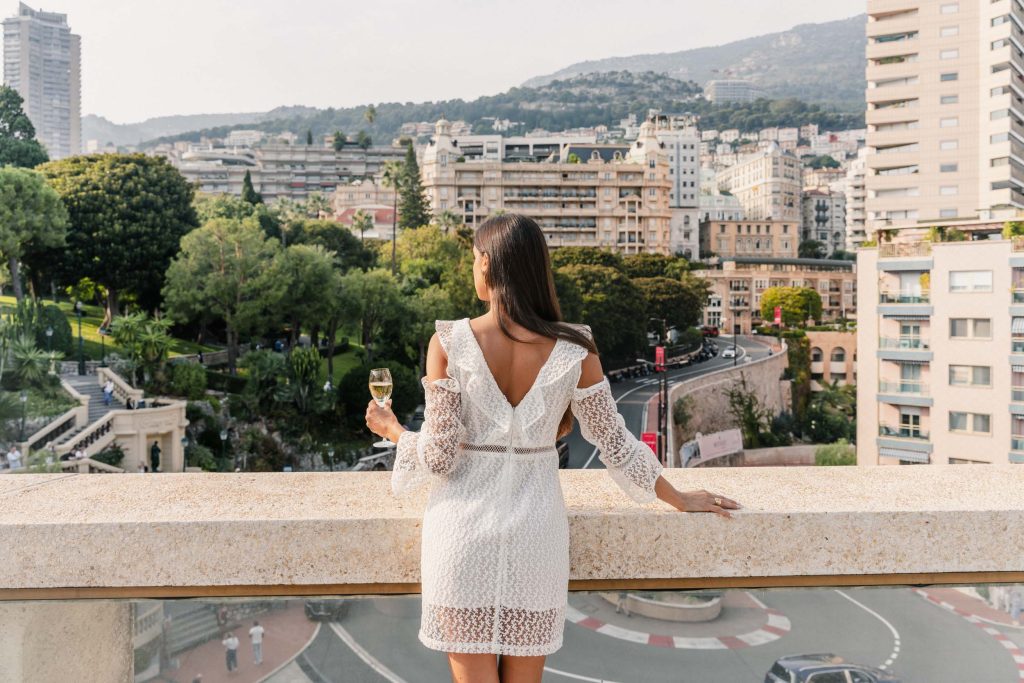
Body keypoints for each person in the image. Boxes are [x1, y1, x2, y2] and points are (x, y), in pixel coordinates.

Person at [365, 214, 740, 683]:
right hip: (535, 539)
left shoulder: (449, 341)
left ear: (487, 264)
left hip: (460, 536)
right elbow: (614, 441)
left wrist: (395, 430)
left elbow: (439, 457)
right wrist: (678, 498)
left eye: (474, 261)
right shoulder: (574, 347)